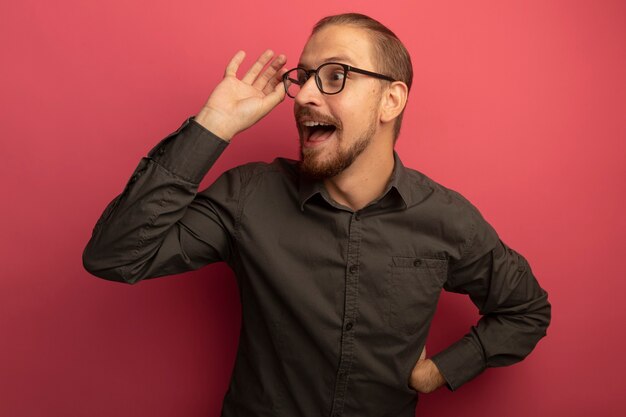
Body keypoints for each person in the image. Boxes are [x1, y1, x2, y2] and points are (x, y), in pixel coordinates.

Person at [83, 13, 551, 417]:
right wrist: (214, 124)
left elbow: (525, 311)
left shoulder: (447, 219)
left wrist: (438, 373)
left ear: (391, 99)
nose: (304, 94)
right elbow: (115, 256)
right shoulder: (249, 195)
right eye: (303, 77)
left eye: (334, 75)